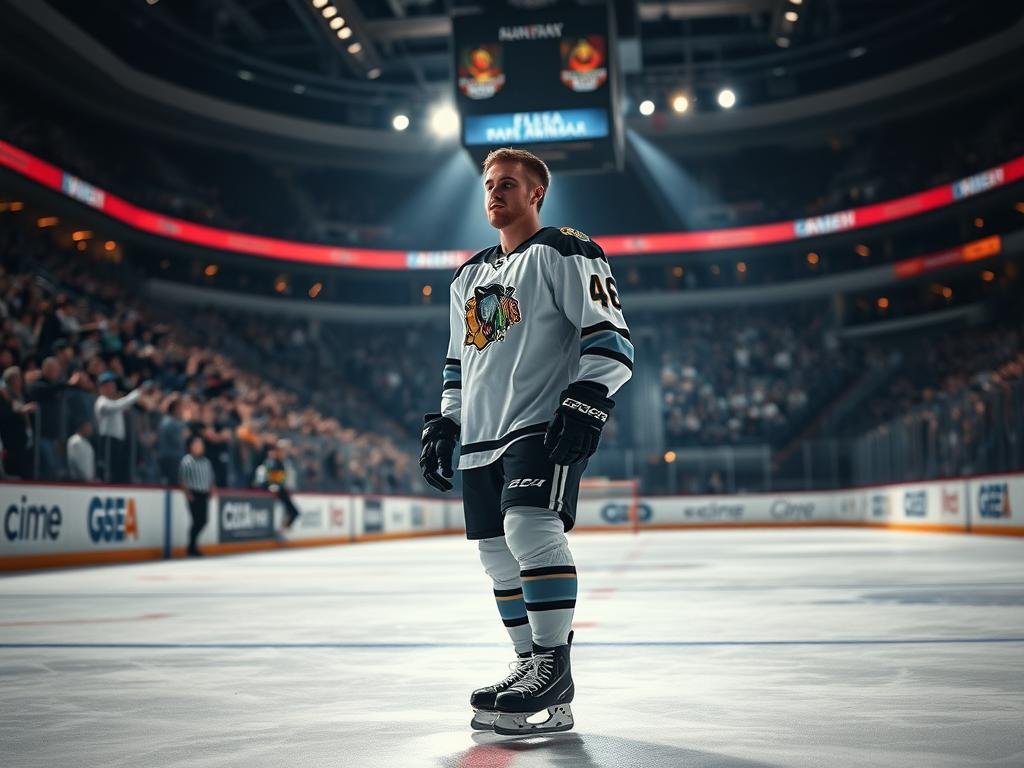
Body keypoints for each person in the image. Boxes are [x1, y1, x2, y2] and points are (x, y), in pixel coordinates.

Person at [420, 148, 633, 735]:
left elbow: (611, 336)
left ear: (536, 194)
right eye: (489, 184)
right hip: (481, 438)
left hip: (539, 421)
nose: (494, 193)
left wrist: (589, 399)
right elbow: (456, 365)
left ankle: (553, 669)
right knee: (494, 553)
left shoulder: (565, 249)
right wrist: (445, 422)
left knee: (530, 530)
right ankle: (527, 666)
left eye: (508, 184)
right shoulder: (467, 276)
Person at [94, 372, 148, 483]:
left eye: (113, 384)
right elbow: (117, 406)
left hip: (117, 442)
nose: (112, 387)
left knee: (117, 470)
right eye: (108, 385)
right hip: (108, 440)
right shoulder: (102, 401)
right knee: (108, 469)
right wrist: (135, 394)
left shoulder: (113, 401)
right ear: (102, 387)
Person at [179, 435, 214, 557]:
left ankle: (192, 546)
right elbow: (183, 479)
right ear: (191, 447)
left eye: (200, 445)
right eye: (196, 445)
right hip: (193, 493)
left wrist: (211, 490)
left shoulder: (206, 462)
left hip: (204, 494)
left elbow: (210, 478)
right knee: (196, 521)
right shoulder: (187, 461)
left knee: (203, 520)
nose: (199, 447)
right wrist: (187, 493)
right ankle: (192, 547)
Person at [255, 440, 301, 534]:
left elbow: (280, 480)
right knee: (291, 511)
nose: (284, 453)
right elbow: (268, 480)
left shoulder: (282, 463)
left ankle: (282, 530)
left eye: (285, 451)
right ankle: (281, 530)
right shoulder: (272, 462)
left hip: (279, 490)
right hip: (271, 490)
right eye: (282, 450)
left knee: (292, 512)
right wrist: (272, 486)